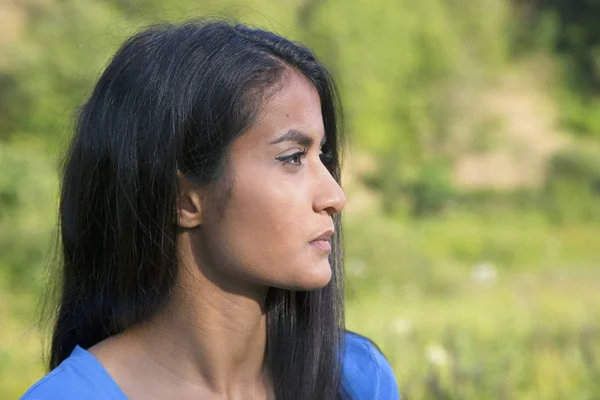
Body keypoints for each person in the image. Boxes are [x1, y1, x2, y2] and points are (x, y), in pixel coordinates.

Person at [20, 20, 399, 400]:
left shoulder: (358, 378)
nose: (335, 196)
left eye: (324, 155)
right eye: (293, 157)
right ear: (182, 199)